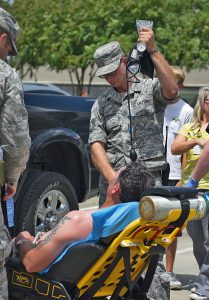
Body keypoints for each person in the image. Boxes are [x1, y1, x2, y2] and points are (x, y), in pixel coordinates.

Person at [89, 28, 178, 208]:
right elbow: (96, 144)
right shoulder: (102, 103)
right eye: (104, 74)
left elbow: (172, 90)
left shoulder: (149, 88)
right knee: (111, 235)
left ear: (124, 61)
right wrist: (112, 178)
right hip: (114, 185)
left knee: (152, 233)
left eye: (112, 71)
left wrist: (153, 49)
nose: (109, 77)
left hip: (149, 180)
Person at [15, 162, 155, 273]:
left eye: (115, 175)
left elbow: (31, 264)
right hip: (99, 281)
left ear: (116, 188)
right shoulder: (138, 224)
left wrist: (22, 239)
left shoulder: (79, 221)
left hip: (55, 281)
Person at [0, 6, 31, 300]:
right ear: (1, 39)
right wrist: (11, 179)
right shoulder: (3, 74)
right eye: (9, 48)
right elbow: (16, 141)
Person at [171, 87, 209, 300]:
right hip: (190, 190)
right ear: (202, 102)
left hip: (208, 188)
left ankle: (205, 284)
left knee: (208, 240)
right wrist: (196, 141)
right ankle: (206, 279)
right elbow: (175, 148)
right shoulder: (191, 127)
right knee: (196, 239)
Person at [163, 66, 193, 290]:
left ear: (179, 86)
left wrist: (183, 178)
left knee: (172, 227)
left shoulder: (186, 111)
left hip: (174, 175)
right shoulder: (156, 106)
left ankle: (170, 271)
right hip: (152, 172)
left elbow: (186, 150)